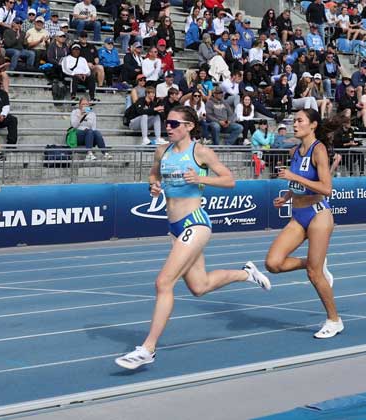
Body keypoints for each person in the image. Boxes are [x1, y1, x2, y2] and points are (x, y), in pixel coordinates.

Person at [115, 106, 272, 370]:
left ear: (189, 126)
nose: (169, 127)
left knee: (163, 282)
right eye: (167, 123)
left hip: (196, 223)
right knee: (199, 287)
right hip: (174, 227)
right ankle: (247, 273)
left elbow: (229, 180)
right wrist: (153, 185)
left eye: (174, 123)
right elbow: (154, 173)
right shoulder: (161, 150)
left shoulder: (200, 151)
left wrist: (200, 177)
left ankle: (148, 349)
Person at [264, 109, 345, 339]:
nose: (295, 124)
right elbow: (299, 180)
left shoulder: (318, 150)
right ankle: (316, 262)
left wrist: (293, 177)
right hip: (298, 213)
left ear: (313, 125)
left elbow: (326, 188)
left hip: (318, 214)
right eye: (294, 120)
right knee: (273, 263)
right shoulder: (295, 150)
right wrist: (287, 196)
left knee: (314, 274)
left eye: (299, 121)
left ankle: (334, 320)